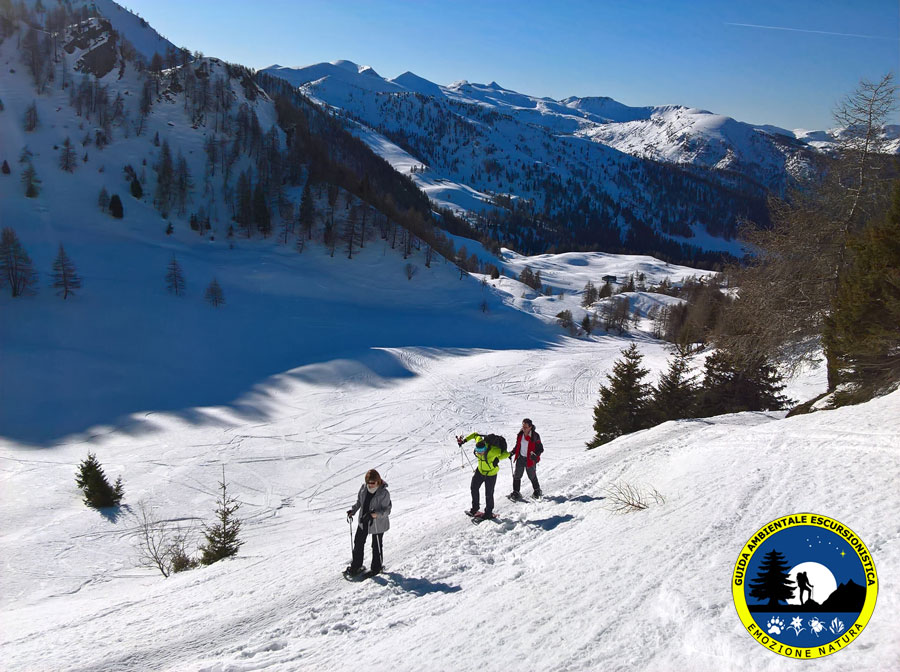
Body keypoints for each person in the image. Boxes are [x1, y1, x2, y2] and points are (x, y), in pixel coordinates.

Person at [345, 469, 391, 577]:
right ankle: (356, 566)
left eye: (373, 483)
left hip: (377, 523)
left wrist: (376, 514)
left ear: (378, 481)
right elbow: (359, 502)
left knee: (376, 545)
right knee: (358, 542)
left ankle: (376, 568)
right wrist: (353, 511)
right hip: (364, 520)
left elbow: (387, 510)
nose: (370, 485)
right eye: (368, 482)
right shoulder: (363, 488)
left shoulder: (383, 493)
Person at [457, 432, 510, 520]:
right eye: (478, 451)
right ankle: (475, 509)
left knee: (489, 494)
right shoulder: (480, 442)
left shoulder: (494, 451)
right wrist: (464, 441)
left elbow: (506, 453)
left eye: (481, 451)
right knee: (474, 487)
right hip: (480, 471)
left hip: (491, 474)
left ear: (485, 448)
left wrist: (497, 459)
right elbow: (475, 435)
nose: (479, 453)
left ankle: (488, 513)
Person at [509, 418, 543, 500]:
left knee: (532, 476)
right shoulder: (520, 434)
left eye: (525, 427)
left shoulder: (535, 436)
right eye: (523, 426)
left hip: (530, 459)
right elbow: (518, 446)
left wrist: (536, 455)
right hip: (520, 458)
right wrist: (512, 452)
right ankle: (516, 492)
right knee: (517, 475)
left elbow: (540, 448)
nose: (523, 428)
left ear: (530, 427)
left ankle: (537, 491)